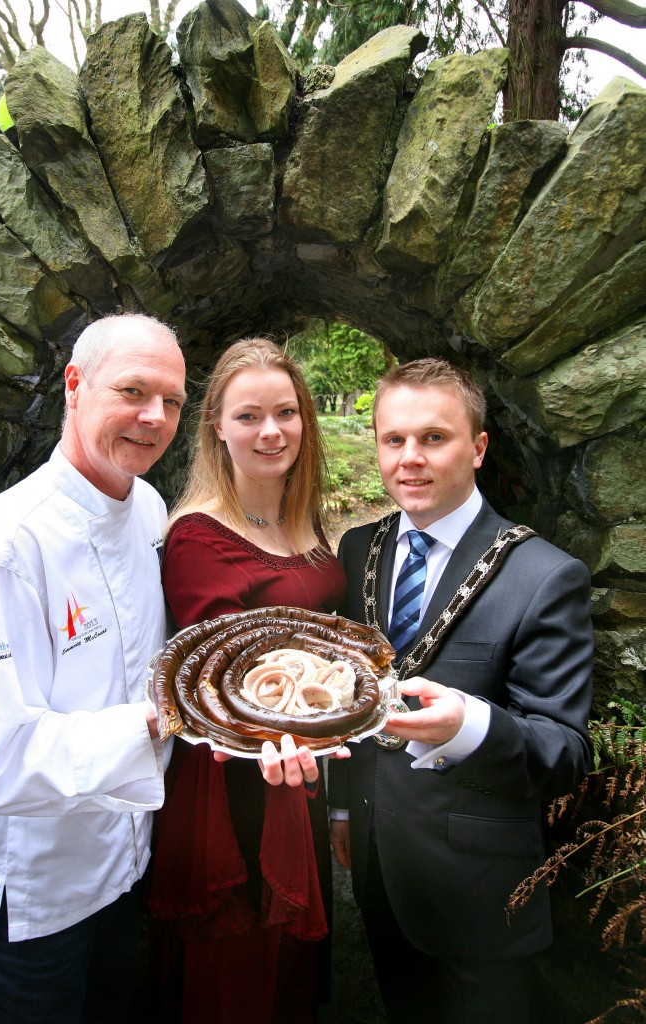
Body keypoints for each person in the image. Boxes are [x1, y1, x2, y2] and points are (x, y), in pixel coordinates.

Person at [0, 313, 188, 1024]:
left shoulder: (146, 508)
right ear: (75, 386)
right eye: (133, 391)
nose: (154, 417)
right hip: (33, 898)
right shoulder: (3, 548)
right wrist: (160, 718)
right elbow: (1, 762)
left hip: (123, 865)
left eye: (171, 400)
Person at [328, 358, 594, 1024]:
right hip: (377, 864)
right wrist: (339, 811)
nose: (408, 459)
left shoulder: (542, 574)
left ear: (477, 448)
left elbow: (564, 752)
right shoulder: (358, 549)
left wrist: (469, 726)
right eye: (393, 440)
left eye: (433, 438)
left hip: (481, 889)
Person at [147, 337, 346, 1024]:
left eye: (286, 413)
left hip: (307, 764)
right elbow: (216, 685)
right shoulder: (198, 539)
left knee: (288, 983)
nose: (271, 431)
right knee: (239, 976)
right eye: (249, 416)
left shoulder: (305, 522)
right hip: (240, 782)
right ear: (216, 427)